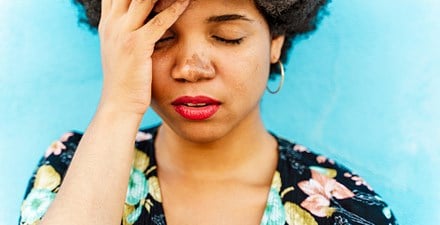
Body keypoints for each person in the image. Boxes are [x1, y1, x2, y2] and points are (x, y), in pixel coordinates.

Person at [19, 0, 398, 224]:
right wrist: (119, 103)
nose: (191, 68)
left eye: (227, 37)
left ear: (275, 41)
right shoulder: (71, 170)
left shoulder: (345, 207)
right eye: (161, 38)